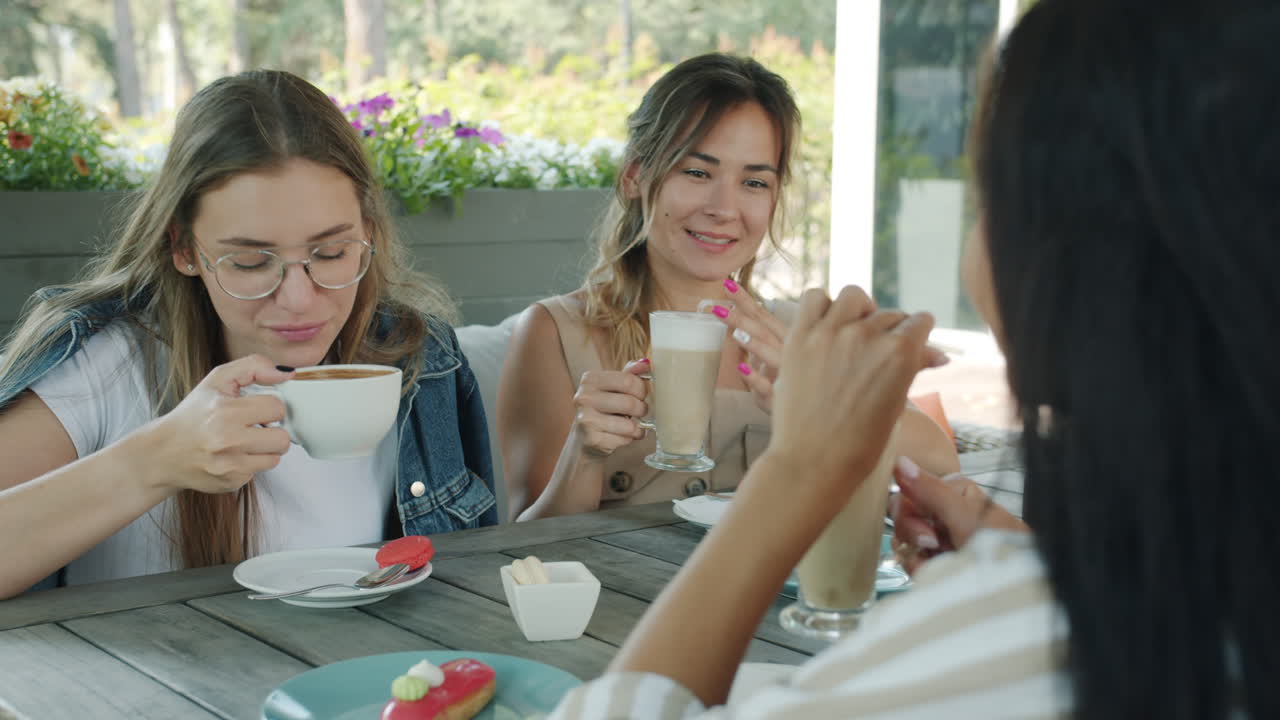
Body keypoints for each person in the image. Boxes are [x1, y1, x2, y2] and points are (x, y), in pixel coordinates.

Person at [548, 0, 1276, 717]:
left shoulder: (1047, 637)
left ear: (1069, 251)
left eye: (986, 193)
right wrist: (1022, 556)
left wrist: (796, 470)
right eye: (697, 172)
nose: (723, 205)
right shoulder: (1180, 583)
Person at [0, 70, 498, 600]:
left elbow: (467, 584)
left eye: (331, 253)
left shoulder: (422, 361)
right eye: (250, 262)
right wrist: (153, 462)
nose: (299, 298)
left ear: (368, 232)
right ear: (184, 249)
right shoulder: (105, 362)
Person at [499, 53, 958, 522]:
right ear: (635, 176)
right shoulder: (556, 333)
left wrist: (829, 399)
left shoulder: (800, 334)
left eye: (754, 182)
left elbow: (942, 464)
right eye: (697, 173)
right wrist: (584, 455)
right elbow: (524, 544)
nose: (724, 208)